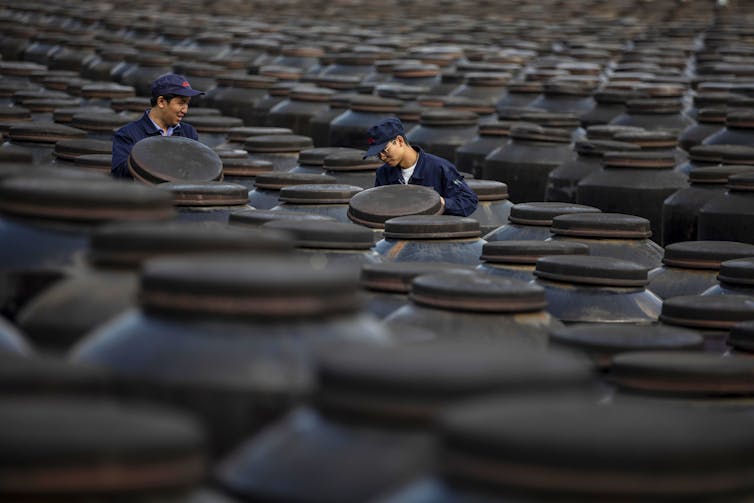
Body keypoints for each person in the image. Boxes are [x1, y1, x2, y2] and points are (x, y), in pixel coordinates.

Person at [364, 117, 478, 216]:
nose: (382, 157)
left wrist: (439, 202)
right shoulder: (383, 173)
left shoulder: (439, 168)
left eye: (384, 150)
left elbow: (469, 201)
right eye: (377, 154)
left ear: (399, 141)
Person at [111, 73, 205, 179]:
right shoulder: (127, 134)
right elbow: (120, 175)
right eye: (181, 103)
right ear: (161, 102)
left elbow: (197, 171)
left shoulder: (188, 132)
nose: (185, 110)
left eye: (187, 103)